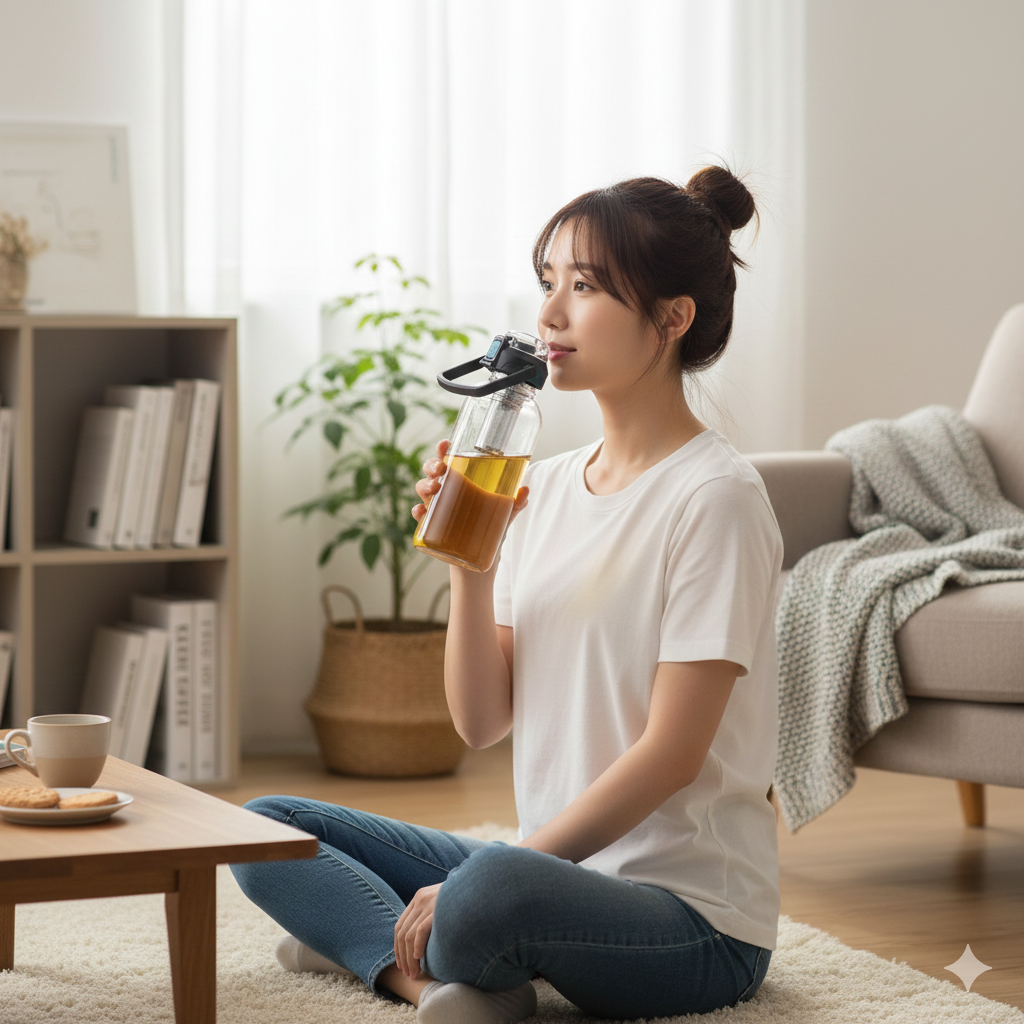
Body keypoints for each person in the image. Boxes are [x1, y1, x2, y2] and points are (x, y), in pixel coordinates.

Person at [232, 166, 783, 1023]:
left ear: (672, 319)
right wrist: (470, 564)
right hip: (555, 871)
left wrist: (471, 882)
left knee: (488, 890)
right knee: (265, 826)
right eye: (548, 283)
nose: (550, 315)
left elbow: (673, 755)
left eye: (587, 286)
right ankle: (418, 977)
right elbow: (480, 723)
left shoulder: (716, 498)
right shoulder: (548, 486)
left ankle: (367, 941)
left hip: (692, 923)